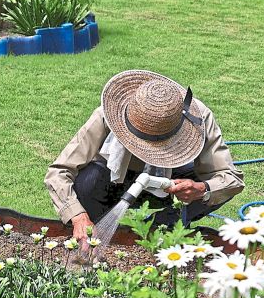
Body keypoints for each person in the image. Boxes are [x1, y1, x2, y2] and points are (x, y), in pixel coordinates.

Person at [45, 70, 244, 248]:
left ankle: (162, 226)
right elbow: (58, 172)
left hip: (168, 187)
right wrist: (78, 216)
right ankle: (95, 229)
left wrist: (202, 190)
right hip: (110, 185)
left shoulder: (199, 119)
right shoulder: (105, 114)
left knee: (213, 188)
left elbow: (231, 179)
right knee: (87, 181)